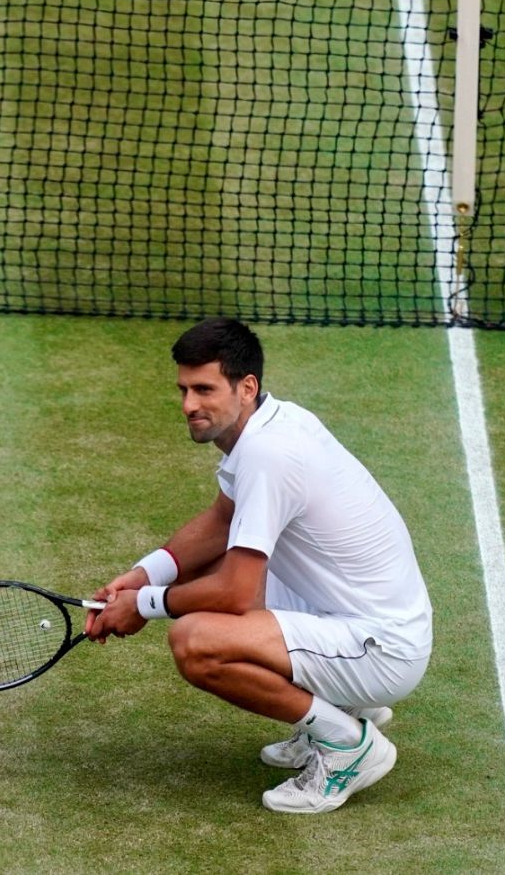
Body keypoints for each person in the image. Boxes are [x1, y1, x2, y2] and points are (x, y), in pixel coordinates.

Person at [83, 317, 432, 814]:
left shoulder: (269, 454)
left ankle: (348, 743)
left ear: (246, 387)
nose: (188, 406)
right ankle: (344, 708)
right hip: (363, 619)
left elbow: (232, 594)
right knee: (243, 568)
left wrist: (143, 605)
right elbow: (222, 519)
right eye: (182, 389)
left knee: (196, 640)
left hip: (381, 649)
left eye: (204, 389)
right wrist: (145, 575)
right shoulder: (275, 422)